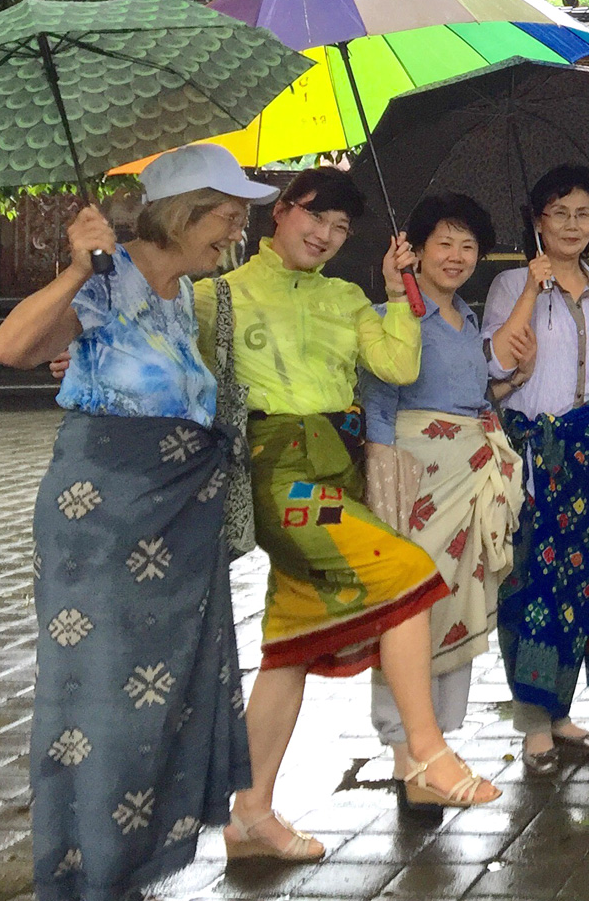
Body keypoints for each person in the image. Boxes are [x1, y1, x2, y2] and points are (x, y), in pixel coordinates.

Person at [193, 166, 498, 858]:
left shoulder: (347, 298)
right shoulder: (219, 296)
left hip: (336, 462)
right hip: (279, 470)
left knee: (290, 647)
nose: (325, 236)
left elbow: (394, 365)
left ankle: (250, 815)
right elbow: (164, 351)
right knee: (406, 569)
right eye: (314, 218)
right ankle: (424, 753)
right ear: (281, 212)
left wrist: (395, 297)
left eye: (339, 229)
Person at [0, 146, 269, 901]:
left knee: (160, 694)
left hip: (173, 527)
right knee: (100, 698)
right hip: (106, 526)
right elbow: (11, 348)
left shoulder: (181, 295)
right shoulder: (105, 279)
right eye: (226, 214)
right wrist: (80, 269)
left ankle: (131, 863)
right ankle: (88, 868)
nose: (236, 230)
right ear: (180, 212)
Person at [360, 194, 525, 814]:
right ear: (416, 249)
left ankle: (436, 744)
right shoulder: (391, 315)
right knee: (408, 607)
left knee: (456, 599)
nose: (456, 257)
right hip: (413, 471)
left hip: (469, 469)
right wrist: (382, 468)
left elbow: (475, 396)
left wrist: (510, 382)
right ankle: (405, 753)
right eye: (443, 243)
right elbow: (379, 398)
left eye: (467, 246)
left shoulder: (472, 320)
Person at [483, 166, 589, 772]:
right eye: (558, 213)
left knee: (578, 582)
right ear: (537, 222)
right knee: (529, 583)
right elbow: (496, 366)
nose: (572, 225)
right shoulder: (508, 285)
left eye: (582, 213)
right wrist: (530, 289)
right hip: (532, 452)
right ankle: (531, 719)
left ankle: (560, 707)